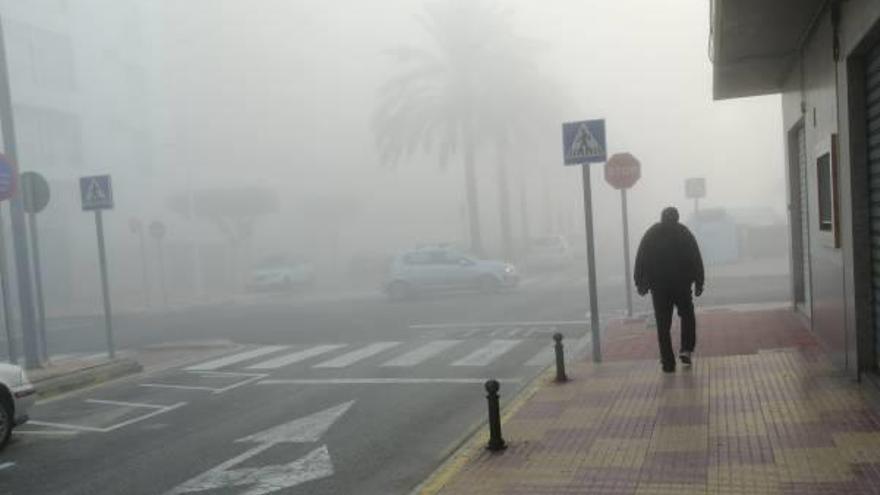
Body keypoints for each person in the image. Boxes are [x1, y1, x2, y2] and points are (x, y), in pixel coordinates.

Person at [634, 207, 704, 372]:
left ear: (661, 217)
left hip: (660, 288)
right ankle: (686, 349)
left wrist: (640, 283)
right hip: (682, 286)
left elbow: (641, 258)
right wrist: (699, 282)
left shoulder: (651, 234)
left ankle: (668, 361)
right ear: (677, 218)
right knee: (687, 316)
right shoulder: (683, 232)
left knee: (662, 324)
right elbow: (696, 257)